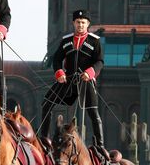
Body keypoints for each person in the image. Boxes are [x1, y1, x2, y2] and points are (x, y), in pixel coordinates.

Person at [39, 9, 106, 153]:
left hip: (85, 81)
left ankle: (100, 145)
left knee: (93, 113)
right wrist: (59, 73)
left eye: (83, 22)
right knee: (46, 103)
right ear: (73, 23)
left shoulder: (95, 41)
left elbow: (100, 61)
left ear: (88, 24)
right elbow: (57, 59)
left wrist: (90, 72)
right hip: (67, 81)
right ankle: (44, 138)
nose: (80, 25)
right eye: (78, 22)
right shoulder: (66, 41)